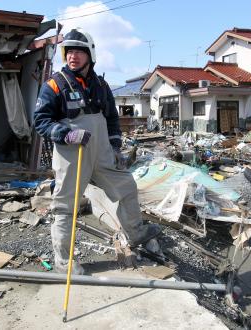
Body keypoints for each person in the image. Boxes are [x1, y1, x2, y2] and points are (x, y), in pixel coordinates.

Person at [34, 28, 161, 275]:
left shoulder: (101, 85)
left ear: (90, 55)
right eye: (69, 52)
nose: (73, 56)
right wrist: (65, 133)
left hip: (102, 153)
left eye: (78, 52)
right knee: (65, 206)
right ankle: (64, 261)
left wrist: (114, 147)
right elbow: (40, 121)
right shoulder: (54, 85)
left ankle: (136, 233)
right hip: (73, 155)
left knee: (126, 187)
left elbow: (112, 119)